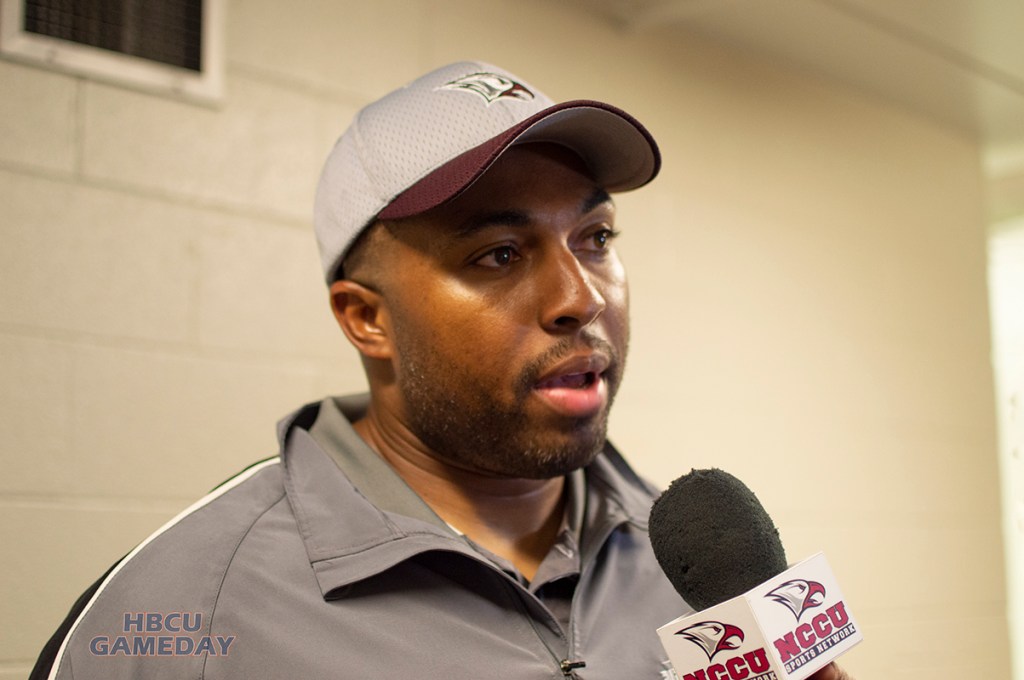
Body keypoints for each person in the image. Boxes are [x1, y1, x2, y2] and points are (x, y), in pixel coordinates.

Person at [32, 62, 851, 679]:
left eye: (595, 239)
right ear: (368, 317)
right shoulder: (181, 610)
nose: (579, 297)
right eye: (499, 253)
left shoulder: (694, 563)